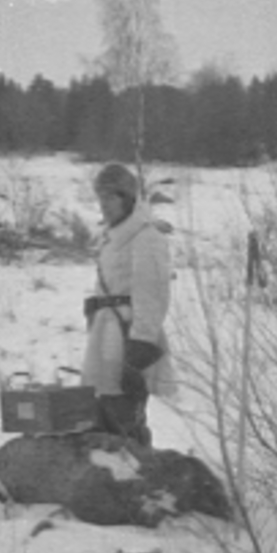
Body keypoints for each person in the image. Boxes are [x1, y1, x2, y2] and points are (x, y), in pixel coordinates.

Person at [81, 162, 174, 447]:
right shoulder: (114, 237)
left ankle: (139, 467)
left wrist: (140, 347)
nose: (104, 205)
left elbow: (152, 294)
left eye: (111, 197)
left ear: (127, 198)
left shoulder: (146, 237)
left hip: (128, 338)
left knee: (124, 419)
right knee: (103, 413)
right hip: (107, 335)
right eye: (101, 198)